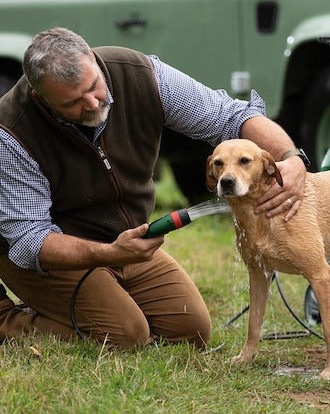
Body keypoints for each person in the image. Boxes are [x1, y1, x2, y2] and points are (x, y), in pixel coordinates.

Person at [0, 27, 307, 348]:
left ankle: (96, 305)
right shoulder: (12, 132)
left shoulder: (140, 74)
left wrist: (291, 158)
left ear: (91, 57)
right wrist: (108, 253)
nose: (92, 103)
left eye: (93, 87)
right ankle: (8, 322)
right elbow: (30, 241)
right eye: (73, 101)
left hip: (125, 239)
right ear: (41, 97)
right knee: (126, 335)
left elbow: (230, 115)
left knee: (191, 329)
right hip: (54, 254)